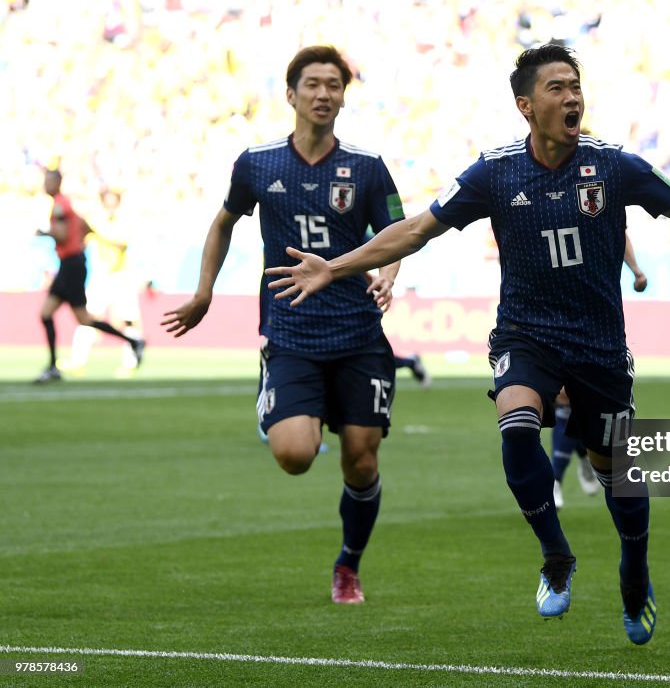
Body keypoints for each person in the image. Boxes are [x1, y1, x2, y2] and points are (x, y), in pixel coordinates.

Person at [265, 43, 670, 643]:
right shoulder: (495, 170)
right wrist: (337, 267)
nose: (572, 97)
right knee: (515, 429)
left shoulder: (614, 165)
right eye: (557, 88)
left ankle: (634, 568)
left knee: (619, 477)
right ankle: (557, 555)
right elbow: (416, 230)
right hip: (525, 335)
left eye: (575, 85)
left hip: (599, 346)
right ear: (526, 105)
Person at [161, 45, 407, 605]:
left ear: (345, 96)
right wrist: (204, 293)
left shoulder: (366, 167)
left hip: (359, 335)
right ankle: (274, 387)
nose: (324, 94)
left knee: (361, 458)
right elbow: (223, 223)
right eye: (313, 84)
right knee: (295, 455)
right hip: (293, 333)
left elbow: (395, 233)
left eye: (334, 85)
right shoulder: (258, 163)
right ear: (290, 94)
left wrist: (387, 275)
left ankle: (349, 564)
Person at [552, 233, 644, 508]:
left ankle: (583, 453)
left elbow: (619, 228)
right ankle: (554, 479)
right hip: (549, 316)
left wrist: (636, 270)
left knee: (586, 411)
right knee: (563, 399)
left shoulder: (595, 196)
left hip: (596, 325)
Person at [34, 169, 145, 383]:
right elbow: (82, 227)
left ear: (57, 182)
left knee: (84, 319)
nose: (45, 185)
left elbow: (63, 234)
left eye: (49, 181)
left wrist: (45, 232)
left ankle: (132, 342)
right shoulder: (66, 205)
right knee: (47, 314)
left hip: (73, 266)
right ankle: (53, 366)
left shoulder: (60, 205)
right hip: (71, 264)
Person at [65, 187, 144, 378]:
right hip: (101, 276)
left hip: (121, 275)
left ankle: (130, 363)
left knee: (127, 320)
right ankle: (77, 362)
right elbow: (83, 237)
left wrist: (96, 232)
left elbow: (121, 242)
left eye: (112, 200)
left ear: (118, 201)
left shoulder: (125, 220)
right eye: (106, 200)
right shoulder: (97, 219)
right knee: (87, 317)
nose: (109, 204)